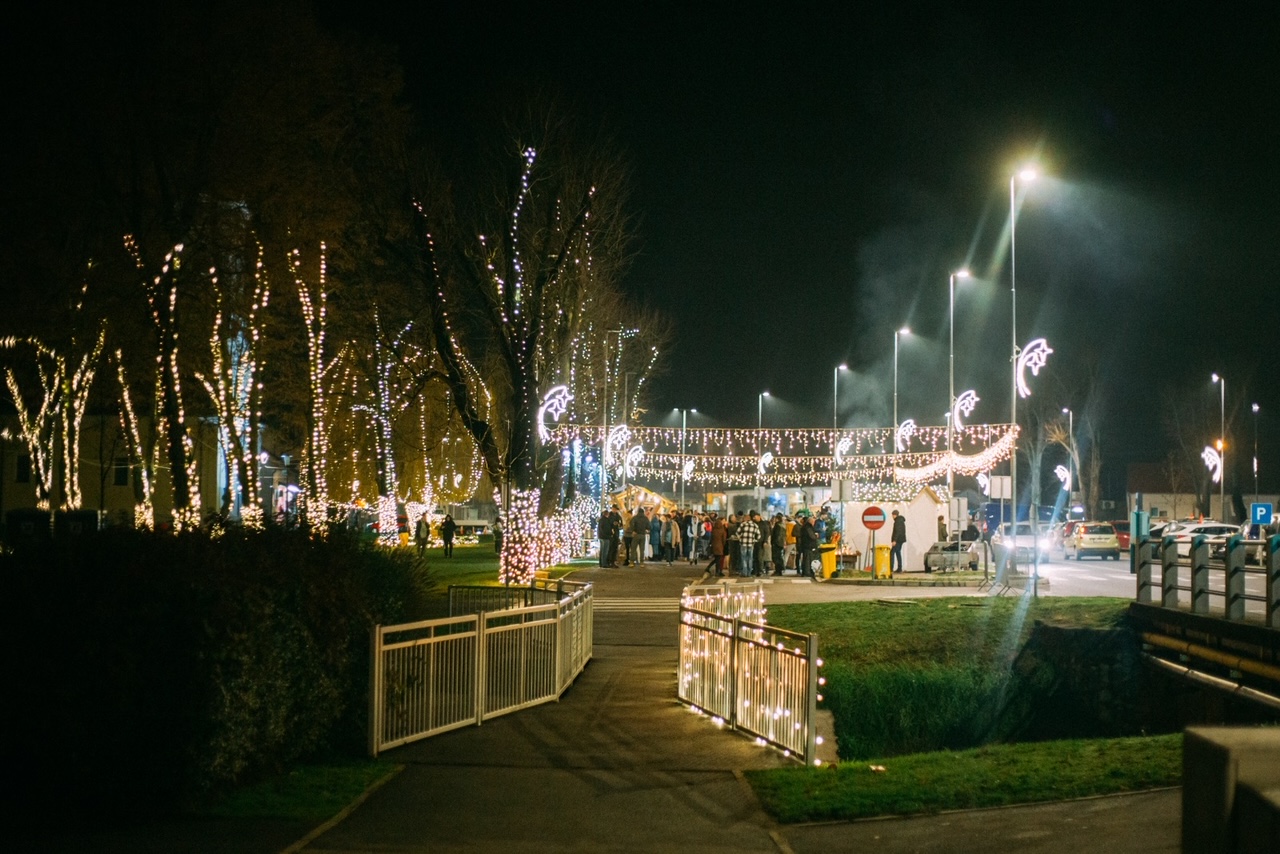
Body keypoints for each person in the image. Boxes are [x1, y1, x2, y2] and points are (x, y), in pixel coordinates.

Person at [737, 510, 760, 577]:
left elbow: (737, 533)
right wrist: (755, 540)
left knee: (743, 558)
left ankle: (744, 572)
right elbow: (759, 535)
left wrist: (740, 538)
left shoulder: (743, 524)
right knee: (750, 558)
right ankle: (749, 573)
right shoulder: (755, 525)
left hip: (743, 544)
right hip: (751, 544)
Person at [890, 509, 907, 573]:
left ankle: (891, 568)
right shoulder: (901, 521)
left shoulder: (897, 521)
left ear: (895, 515)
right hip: (901, 539)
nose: (892, 516)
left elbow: (897, 531)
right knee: (898, 553)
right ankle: (899, 568)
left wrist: (894, 540)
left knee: (892, 552)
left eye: (892, 515)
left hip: (898, 540)